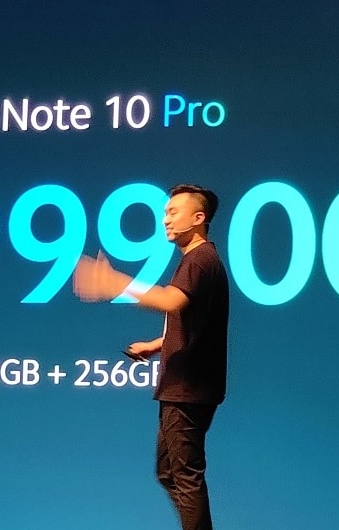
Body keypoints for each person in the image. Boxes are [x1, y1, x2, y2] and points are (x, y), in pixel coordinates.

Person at [72, 184, 229, 530]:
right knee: (168, 472)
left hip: (188, 388)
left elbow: (171, 301)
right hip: (183, 385)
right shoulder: (199, 260)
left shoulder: (199, 259)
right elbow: (197, 322)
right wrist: (158, 344)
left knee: (184, 476)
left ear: (198, 218)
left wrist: (114, 283)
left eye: (173, 212)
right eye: (165, 213)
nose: (166, 220)